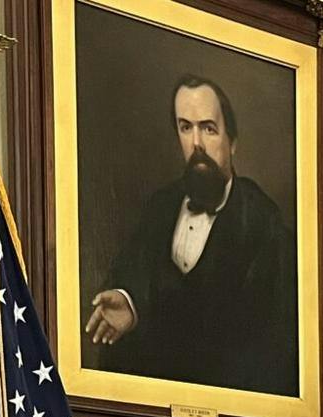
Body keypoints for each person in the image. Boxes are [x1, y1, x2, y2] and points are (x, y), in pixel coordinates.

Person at [84, 74, 298, 396]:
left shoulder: (264, 224)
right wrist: (130, 300)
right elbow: (135, 274)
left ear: (233, 141)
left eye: (208, 128)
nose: (196, 143)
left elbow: (273, 351)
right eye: (186, 128)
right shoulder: (159, 207)